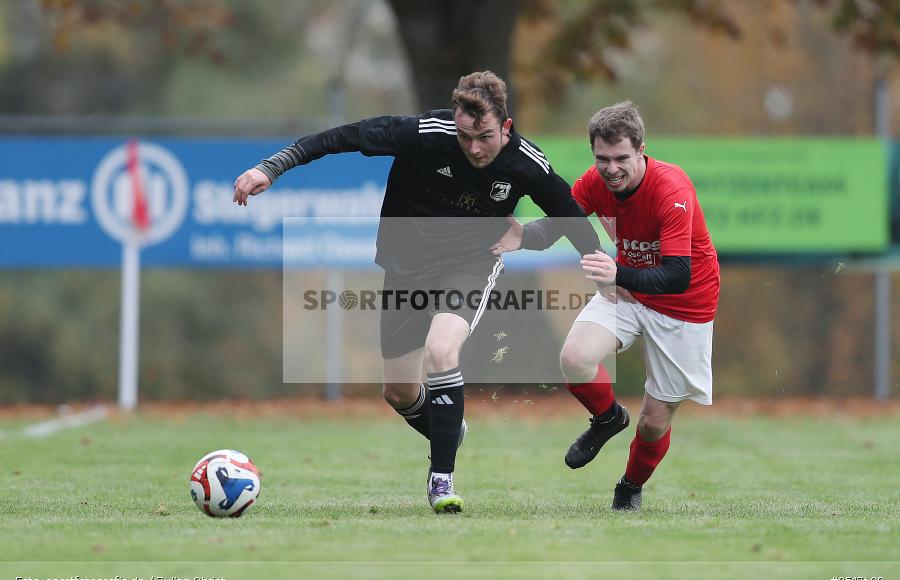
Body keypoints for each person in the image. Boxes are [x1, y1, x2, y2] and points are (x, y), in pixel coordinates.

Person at [232, 71, 602, 514]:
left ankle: (441, 479)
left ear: (506, 126)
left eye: (485, 136)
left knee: (441, 350)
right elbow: (341, 138)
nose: (475, 148)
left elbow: (572, 218)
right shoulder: (425, 133)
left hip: (470, 265)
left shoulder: (527, 164)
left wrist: (581, 260)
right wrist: (270, 167)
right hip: (405, 268)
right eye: (465, 137)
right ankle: (449, 428)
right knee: (400, 393)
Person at [494, 100, 719, 511]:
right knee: (575, 357)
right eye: (602, 159)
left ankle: (629, 487)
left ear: (641, 150)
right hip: (628, 290)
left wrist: (618, 273)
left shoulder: (672, 191)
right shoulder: (596, 183)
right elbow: (561, 223)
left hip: (683, 305)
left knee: (653, 423)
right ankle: (608, 418)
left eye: (621, 159)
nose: (611, 169)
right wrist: (522, 237)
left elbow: (676, 276)